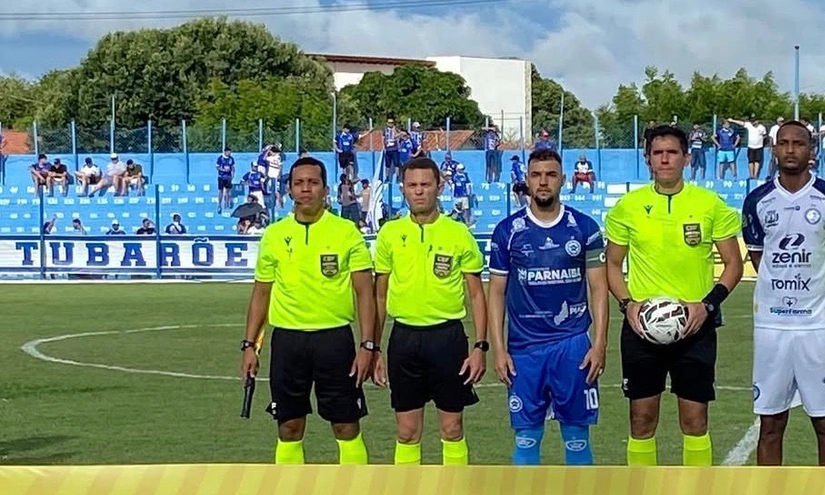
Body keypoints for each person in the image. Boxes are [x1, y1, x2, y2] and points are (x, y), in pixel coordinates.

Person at [605, 124, 744, 467]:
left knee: (695, 422)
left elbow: (733, 265)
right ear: (648, 159)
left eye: (672, 152)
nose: (665, 159)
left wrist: (707, 306)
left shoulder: (710, 204)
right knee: (640, 421)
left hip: (695, 328)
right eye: (657, 153)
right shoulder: (628, 207)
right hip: (641, 329)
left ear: (686, 157)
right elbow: (612, 264)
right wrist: (628, 305)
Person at [241, 157, 377, 465]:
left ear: (325, 189)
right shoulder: (274, 235)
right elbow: (261, 293)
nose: (306, 189)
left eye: (313, 183)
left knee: (346, 424)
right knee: (289, 426)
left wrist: (367, 345)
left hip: (335, 341)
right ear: (289, 189)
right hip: (288, 342)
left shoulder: (346, 232)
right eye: (299, 183)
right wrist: (250, 345)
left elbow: (364, 292)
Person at [742, 121, 825, 467]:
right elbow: (760, 257)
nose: (791, 150)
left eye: (799, 143)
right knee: (771, 425)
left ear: (812, 151)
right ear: (773, 149)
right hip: (772, 327)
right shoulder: (757, 201)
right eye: (784, 143)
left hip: (819, 328)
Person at [488, 149, 608, 465]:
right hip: (524, 350)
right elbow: (496, 292)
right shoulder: (507, 231)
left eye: (551, 175)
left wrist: (599, 344)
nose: (543, 182)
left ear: (563, 180)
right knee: (526, 439)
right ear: (527, 180)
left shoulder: (584, 227)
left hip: (573, 347)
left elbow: (599, 287)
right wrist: (499, 350)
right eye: (537, 175)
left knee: (577, 439)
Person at [372, 157, 488, 466]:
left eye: (425, 184)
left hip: (447, 339)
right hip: (404, 339)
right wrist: (373, 347)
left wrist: (480, 347)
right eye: (412, 185)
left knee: (452, 429)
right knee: (407, 432)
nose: (419, 191)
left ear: (439, 187)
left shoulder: (458, 233)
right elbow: (379, 295)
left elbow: (477, 294)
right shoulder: (390, 234)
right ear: (403, 189)